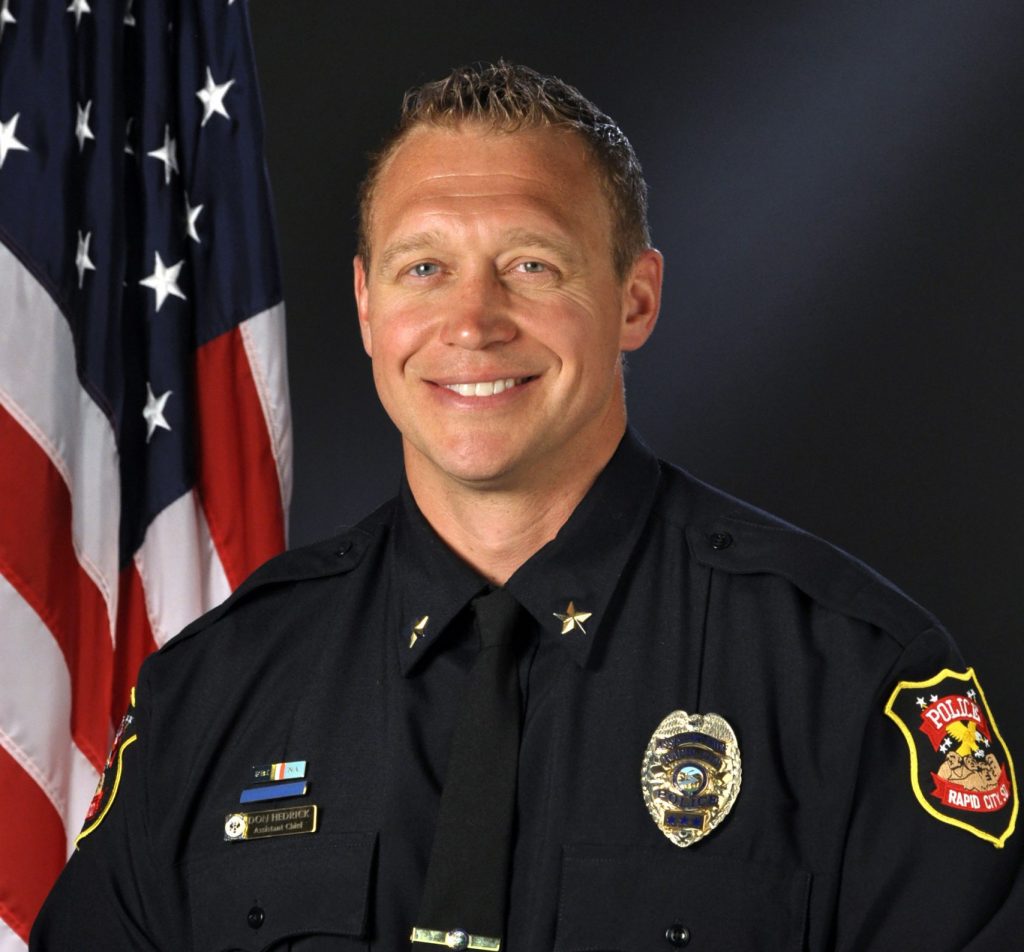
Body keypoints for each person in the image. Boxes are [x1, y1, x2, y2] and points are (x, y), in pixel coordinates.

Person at [31, 61, 1021, 951]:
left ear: (636, 299)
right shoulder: (219, 687)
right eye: (425, 268)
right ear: (369, 306)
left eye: (531, 266)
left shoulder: (843, 674)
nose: (472, 321)